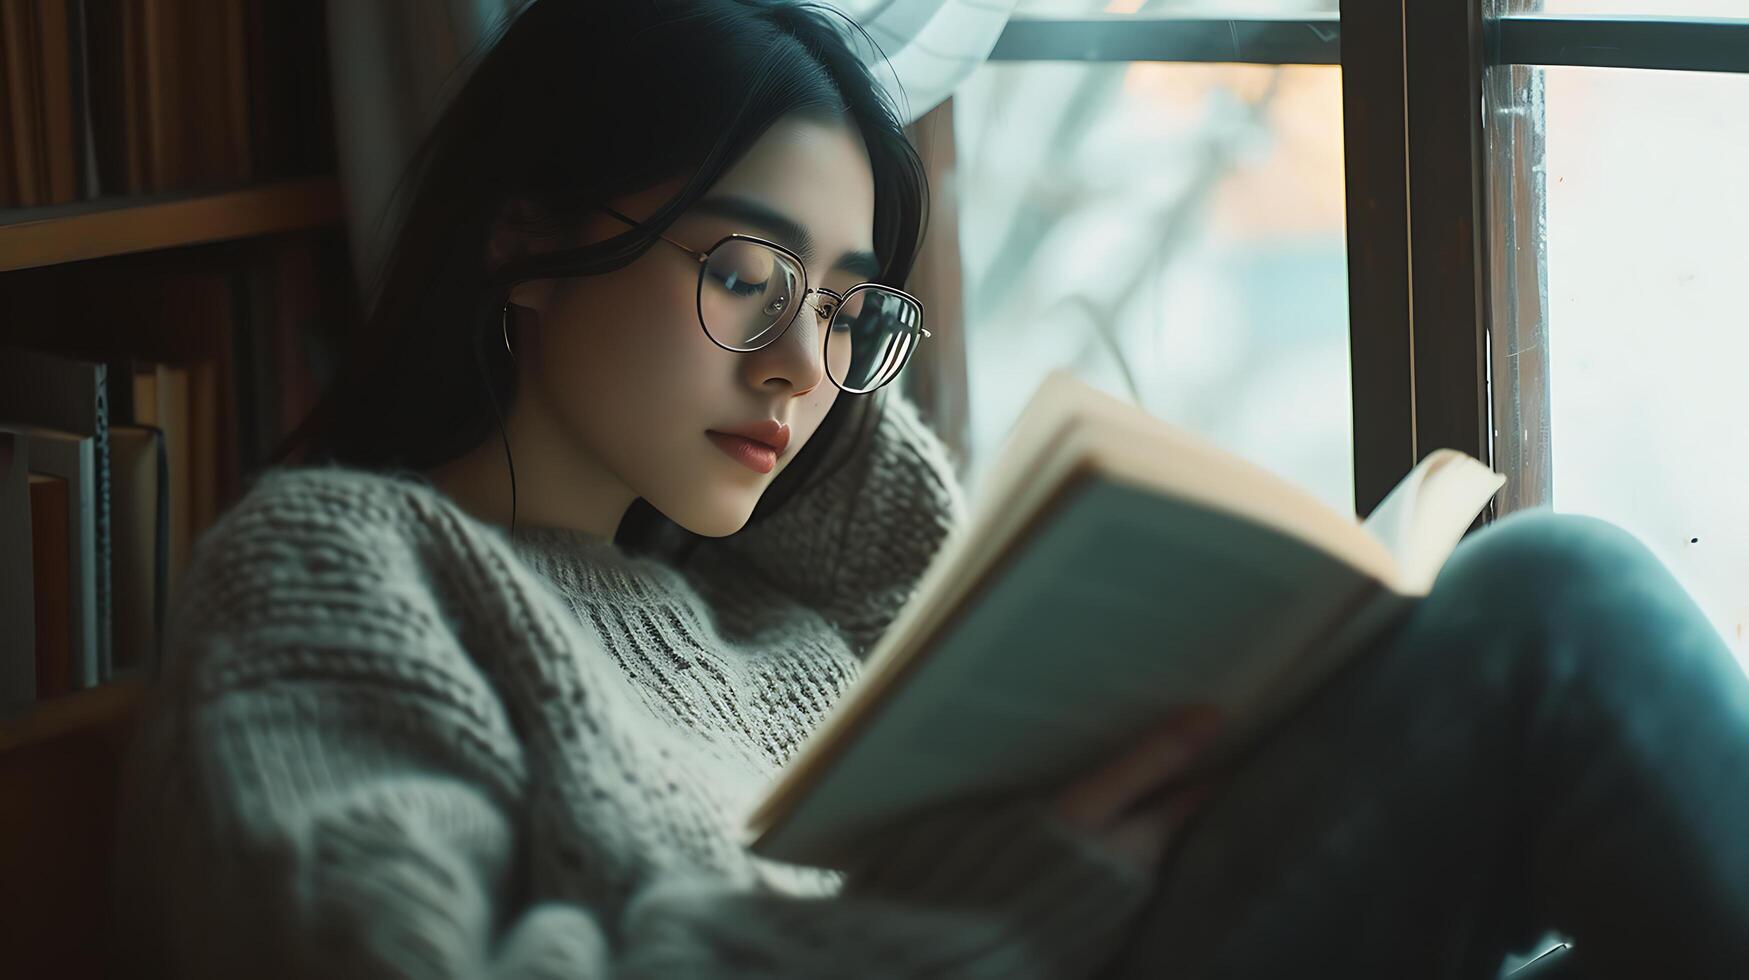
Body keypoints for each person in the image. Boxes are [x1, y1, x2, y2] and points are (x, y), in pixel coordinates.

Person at [112, 2, 1749, 977]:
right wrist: (983, 909)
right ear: (527, 238)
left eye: (844, 310)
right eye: (745, 274)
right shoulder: (332, 570)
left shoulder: (764, 591)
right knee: (1552, 606)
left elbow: (925, 610)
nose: (798, 370)